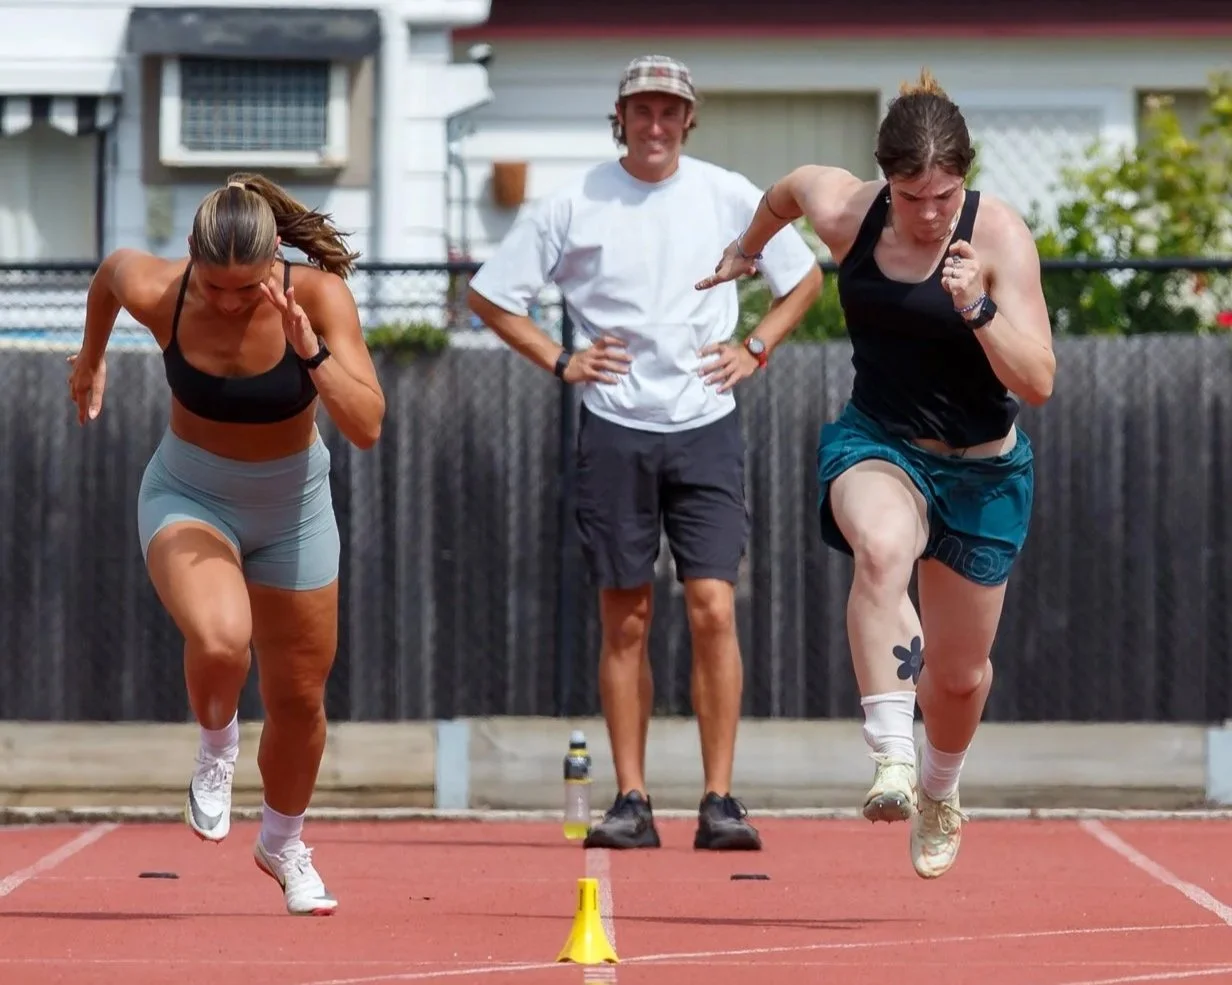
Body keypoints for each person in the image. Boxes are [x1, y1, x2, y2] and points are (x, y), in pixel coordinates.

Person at [698, 69, 1055, 878]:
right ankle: (892, 755)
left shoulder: (997, 234)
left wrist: (979, 310)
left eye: (944, 196)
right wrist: (746, 251)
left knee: (959, 679)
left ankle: (937, 784)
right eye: (910, 195)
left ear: (966, 181)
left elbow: (1038, 381)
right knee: (883, 550)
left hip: (982, 470)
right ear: (883, 177)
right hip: (880, 442)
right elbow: (786, 188)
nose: (929, 215)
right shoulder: (848, 210)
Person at [467, 54, 822, 851]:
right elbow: (491, 293)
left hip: (706, 422)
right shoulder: (573, 201)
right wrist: (561, 360)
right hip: (615, 425)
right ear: (619, 118)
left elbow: (804, 281)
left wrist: (755, 347)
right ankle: (631, 798)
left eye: (670, 112)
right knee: (624, 617)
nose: (656, 125)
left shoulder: (730, 194)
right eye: (642, 111)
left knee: (713, 607)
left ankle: (721, 799)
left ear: (687, 121)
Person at [67, 173, 386, 914]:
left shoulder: (318, 297)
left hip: (295, 507)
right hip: (191, 492)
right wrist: (91, 358)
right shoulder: (165, 291)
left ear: (276, 256)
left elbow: (367, 424)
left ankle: (283, 841)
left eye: (250, 289)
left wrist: (310, 353)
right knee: (220, 639)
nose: (233, 302)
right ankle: (216, 750)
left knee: (300, 699)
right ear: (191, 258)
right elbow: (111, 274)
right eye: (217, 287)